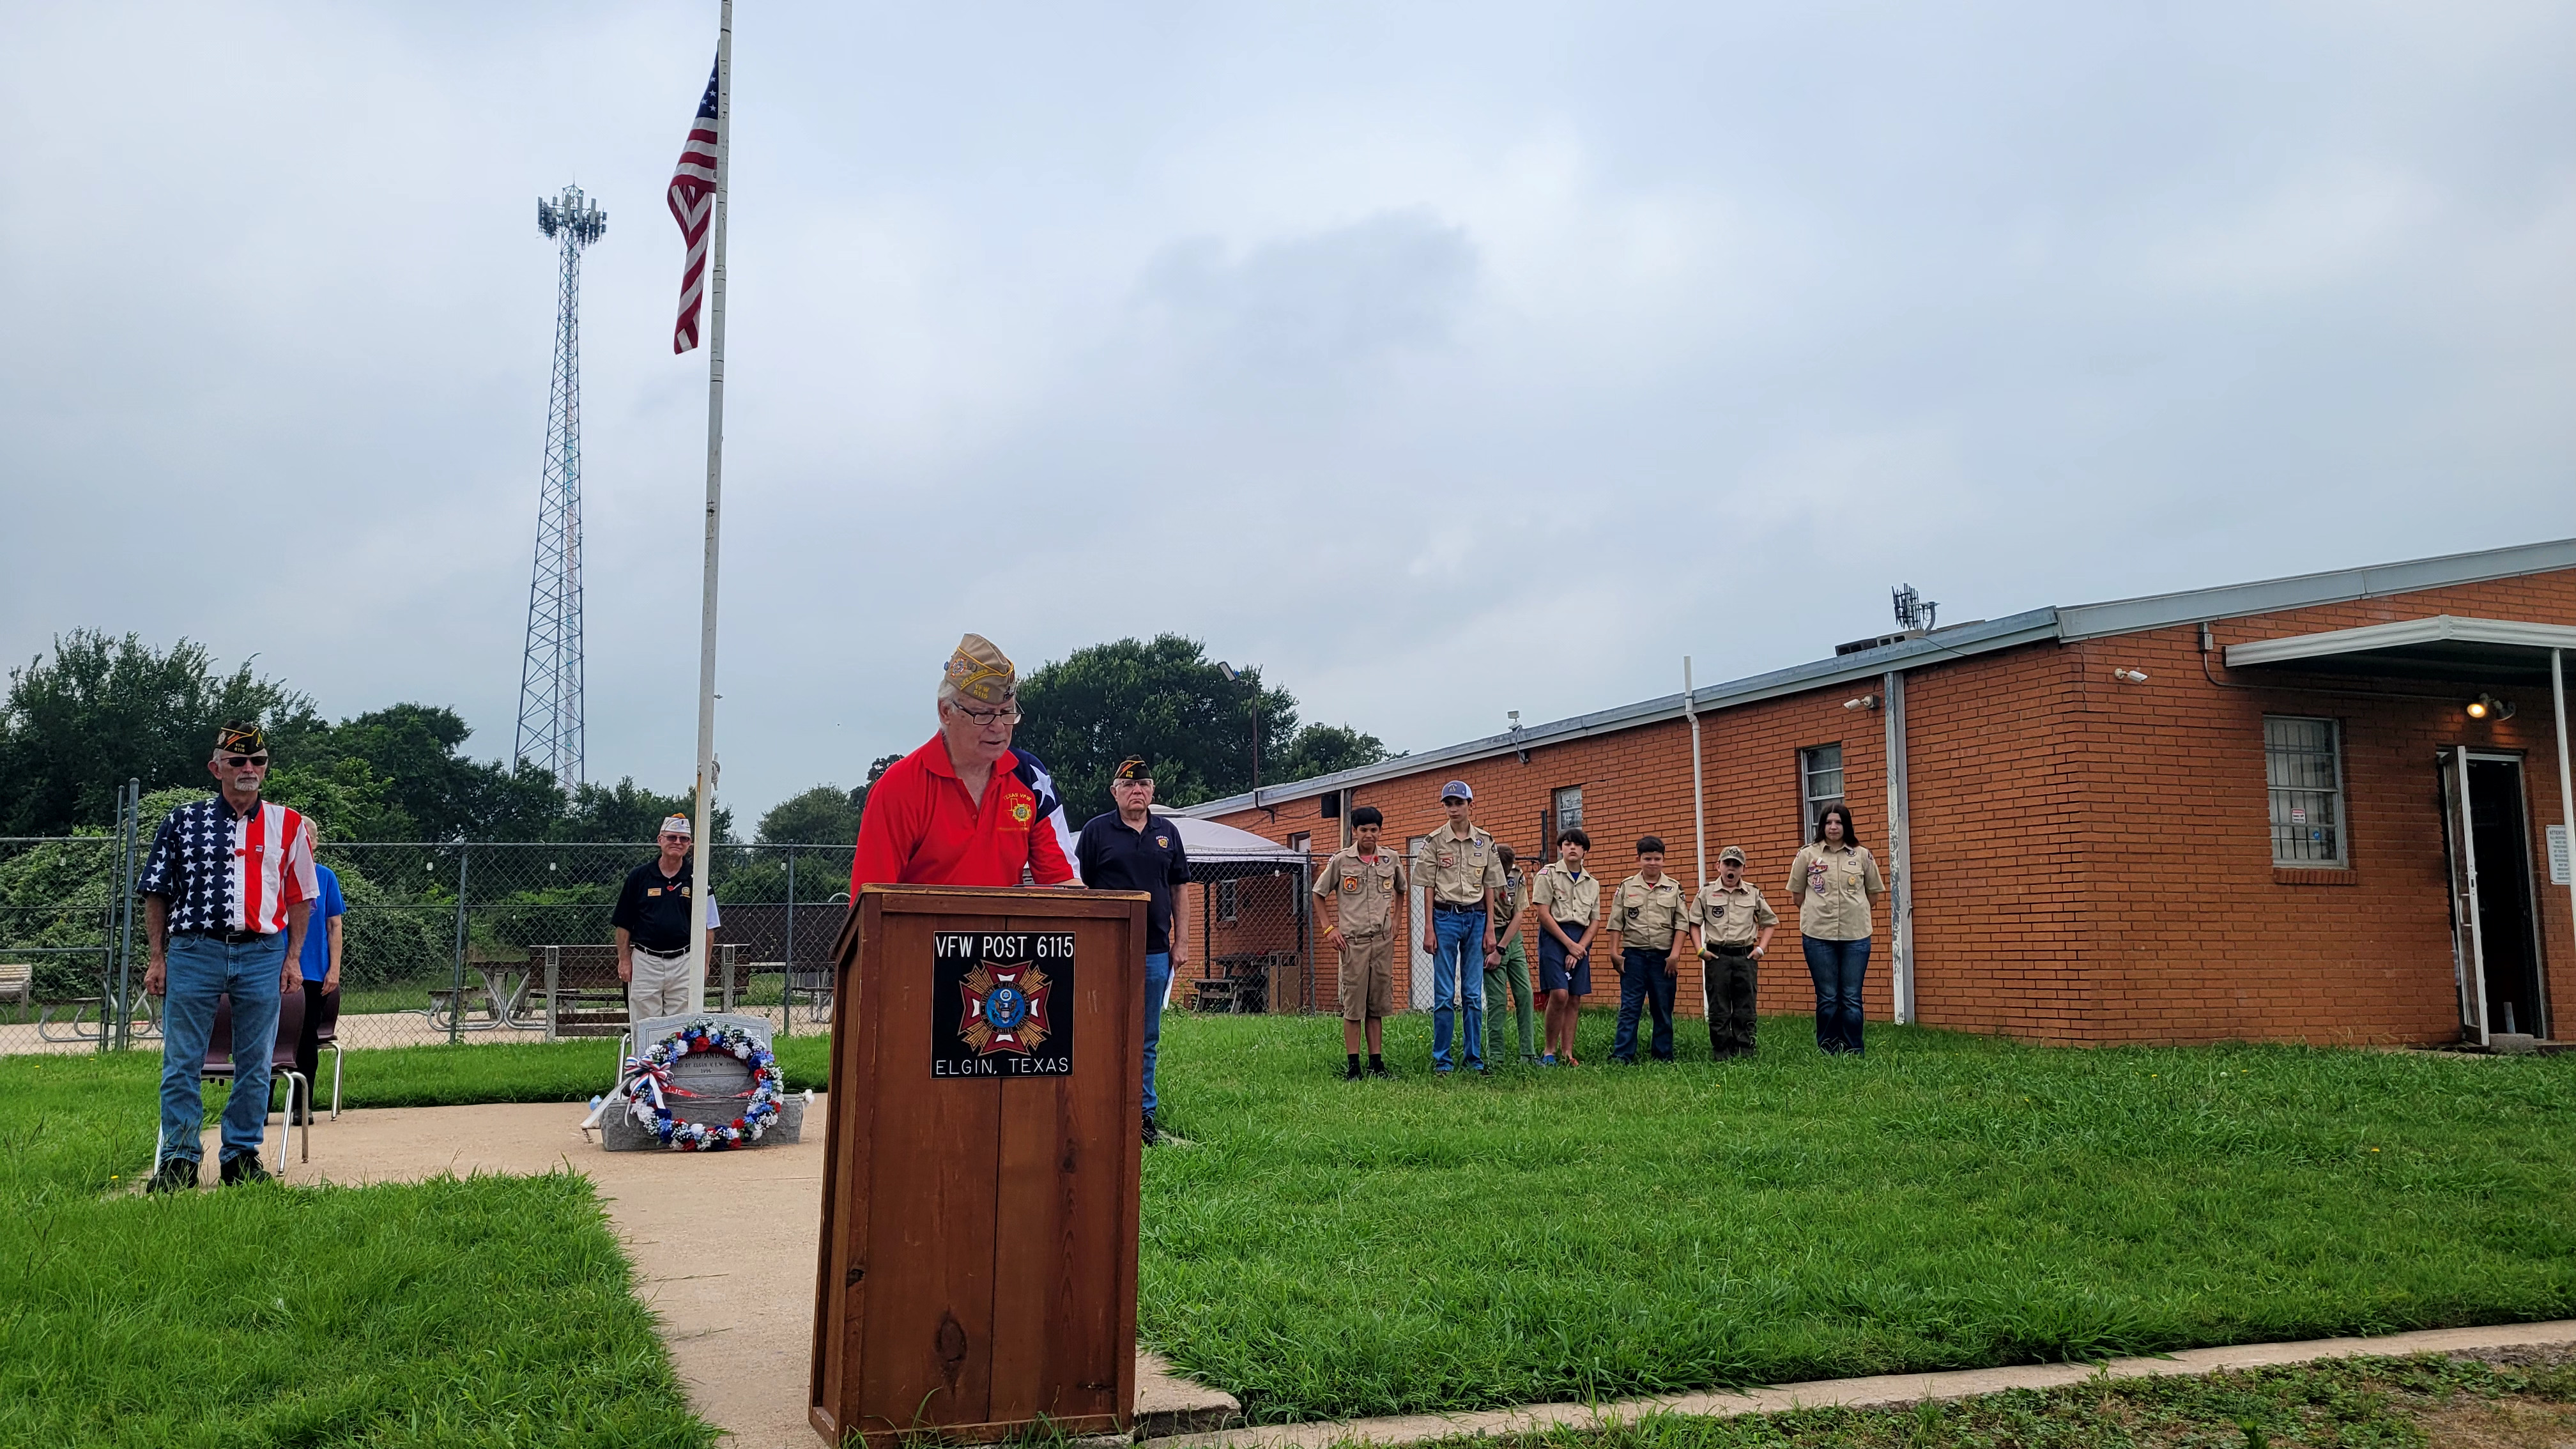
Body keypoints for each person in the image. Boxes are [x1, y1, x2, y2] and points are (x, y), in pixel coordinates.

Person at [136, 722, 318, 1193]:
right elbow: (156, 891)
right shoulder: (182, 821)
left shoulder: (289, 825)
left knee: (257, 1061)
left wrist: (294, 958)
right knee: (182, 1060)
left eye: (258, 761)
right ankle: (178, 1159)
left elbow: (302, 896)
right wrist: (157, 957)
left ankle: (241, 1156)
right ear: (216, 769)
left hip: (263, 951)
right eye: (238, 761)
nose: (249, 769)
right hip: (195, 949)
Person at [850, 633, 1078, 891]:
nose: (999, 727)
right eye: (984, 714)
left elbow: (1064, 883)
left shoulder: (1031, 777)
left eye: (1007, 712)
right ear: (945, 711)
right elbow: (870, 898)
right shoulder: (898, 788)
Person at [1077, 756, 1190, 1145]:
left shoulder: (1167, 833)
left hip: (1154, 950)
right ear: (1115, 792)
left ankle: (1143, 1115)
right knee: (1100, 1029)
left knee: (1146, 1036)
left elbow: (1179, 889)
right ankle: (1099, 1107)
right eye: (1127, 785)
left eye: (1143, 785)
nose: (1136, 791)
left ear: (1153, 791)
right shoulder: (1096, 831)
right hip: (1105, 951)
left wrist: (1182, 942)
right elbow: (1082, 888)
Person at [1411, 781, 1503, 1075]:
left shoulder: (1485, 841)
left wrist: (1490, 928)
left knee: (1473, 994)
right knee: (1444, 994)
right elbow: (1427, 886)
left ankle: (1474, 1058)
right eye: (1448, 804)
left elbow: (1490, 885)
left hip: (1476, 918)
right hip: (1445, 918)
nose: (1454, 809)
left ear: (1470, 805)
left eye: (1459, 803)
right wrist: (1429, 927)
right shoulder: (1434, 841)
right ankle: (1443, 1060)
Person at [1314, 805, 1406, 1079]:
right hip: (1353, 943)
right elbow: (1319, 893)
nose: (1369, 835)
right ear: (1354, 831)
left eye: (1374, 830)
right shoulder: (1342, 861)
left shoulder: (1390, 859)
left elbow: (1401, 889)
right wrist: (1329, 929)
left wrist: (1397, 919)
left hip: (1382, 941)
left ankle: (1376, 1064)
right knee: (1354, 1007)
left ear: (1380, 831)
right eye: (1363, 830)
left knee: (1377, 1005)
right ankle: (1354, 1065)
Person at [1788, 802, 1885, 1055]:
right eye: (1829, 822)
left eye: (1839, 822)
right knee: (1828, 997)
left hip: (1856, 936)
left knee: (1851, 997)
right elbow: (1798, 896)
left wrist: (1853, 912)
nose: (1833, 827)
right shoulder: (1807, 855)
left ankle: (1854, 1049)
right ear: (1822, 826)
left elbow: (1873, 895)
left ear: (1846, 826)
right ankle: (1829, 1050)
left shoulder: (1862, 855)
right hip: (1818, 935)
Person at [611, 815, 724, 1021]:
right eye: (672, 837)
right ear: (660, 840)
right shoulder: (639, 877)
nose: (678, 842)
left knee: (681, 1027)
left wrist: (705, 963)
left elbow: (709, 925)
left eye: (684, 839)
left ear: (690, 844)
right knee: (644, 1025)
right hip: (646, 961)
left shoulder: (699, 878)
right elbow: (623, 923)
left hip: (684, 962)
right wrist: (624, 960)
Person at [1603, 836, 1690, 1063]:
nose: (1653, 863)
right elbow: (1616, 922)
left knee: (1662, 1008)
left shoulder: (1674, 888)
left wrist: (1675, 955)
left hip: (1664, 958)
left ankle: (1663, 1055)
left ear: (1664, 860)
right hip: (1634, 956)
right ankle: (1622, 1055)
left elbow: (1682, 924)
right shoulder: (1626, 887)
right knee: (1630, 1007)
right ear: (1638, 859)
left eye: (1657, 859)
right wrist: (1614, 953)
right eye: (1648, 859)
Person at [1690, 845, 1777, 1060]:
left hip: (1745, 957)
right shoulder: (1706, 892)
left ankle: (1745, 1050)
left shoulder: (1753, 893)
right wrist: (1700, 950)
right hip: (1717, 956)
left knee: (1745, 1005)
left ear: (1744, 869)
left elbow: (1770, 922)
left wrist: (1761, 949)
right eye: (1727, 864)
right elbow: (1693, 923)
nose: (1731, 869)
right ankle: (1721, 1051)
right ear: (1718, 866)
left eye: (1736, 866)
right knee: (1719, 1006)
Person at [289, 822, 349, 1125]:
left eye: (307, 838)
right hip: (277, 971)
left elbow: (334, 926)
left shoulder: (325, 878)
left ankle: (302, 1105)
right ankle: (260, 1108)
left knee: (305, 1039)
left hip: (313, 973)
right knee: (268, 1038)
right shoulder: (278, 875)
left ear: (315, 842)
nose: (303, 843)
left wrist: (334, 969)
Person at [1529, 829, 1600, 1066]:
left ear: (1584, 851)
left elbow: (1595, 921)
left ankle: (1568, 1053)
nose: (1572, 848)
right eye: (1567, 844)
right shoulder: (1548, 874)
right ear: (1561, 848)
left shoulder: (1592, 883)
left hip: (1580, 939)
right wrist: (1569, 945)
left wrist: (1579, 947)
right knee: (1559, 994)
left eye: (1577, 845)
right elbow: (1543, 913)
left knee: (1574, 997)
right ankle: (1549, 1051)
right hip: (1555, 937)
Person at [1483, 844, 1537, 1064]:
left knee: (1525, 995)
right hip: (1489, 937)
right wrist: (1494, 949)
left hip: (1511, 938)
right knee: (1497, 1001)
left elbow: (1519, 914)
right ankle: (1496, 1058)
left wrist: (1502, 948)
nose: (1505, 875)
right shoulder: (1482, 875)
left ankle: (1528, 1054)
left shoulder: (1517, 874)